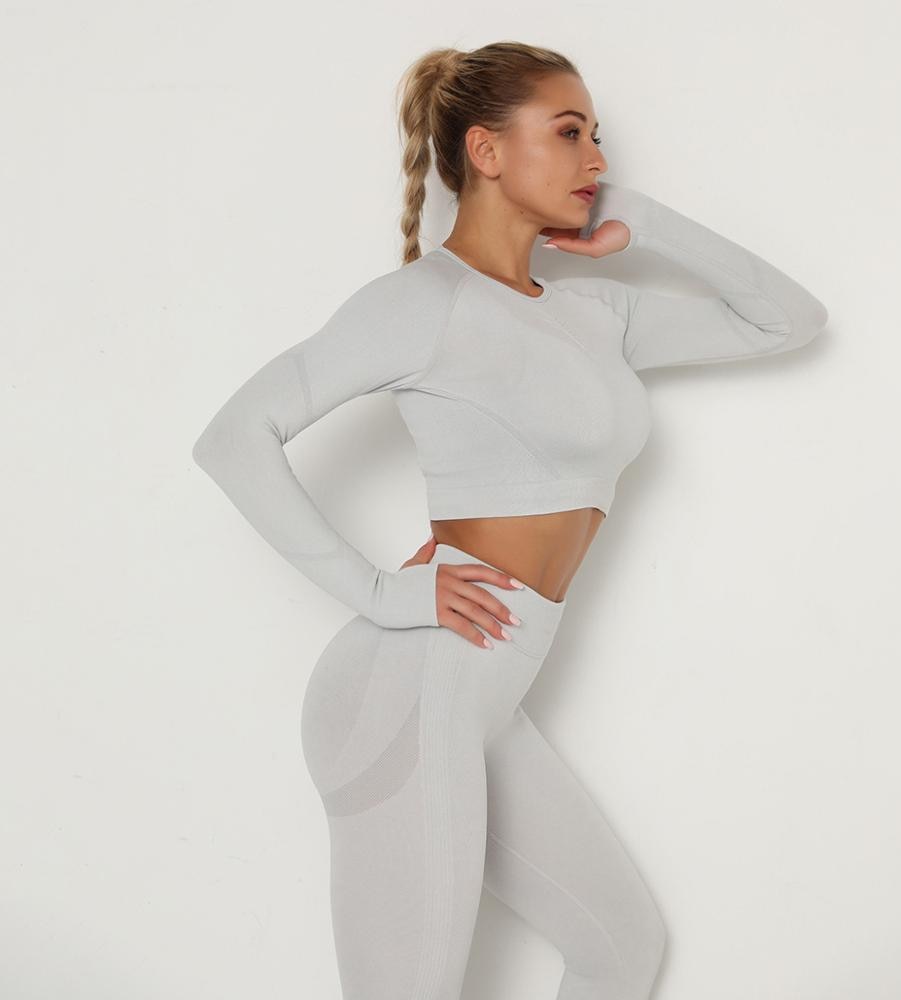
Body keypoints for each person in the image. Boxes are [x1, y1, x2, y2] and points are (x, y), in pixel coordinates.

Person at [192, 41, 827, 1000]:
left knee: (620, 949)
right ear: (485, 152)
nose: (595, 159)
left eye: (596, 136)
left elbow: (788, 320)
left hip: (485, 690)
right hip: (409, 685)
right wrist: (378, 592)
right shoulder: (421, 304)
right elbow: (234, 437)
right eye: (568, 133)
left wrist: (643, 223)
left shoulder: (594, 314)